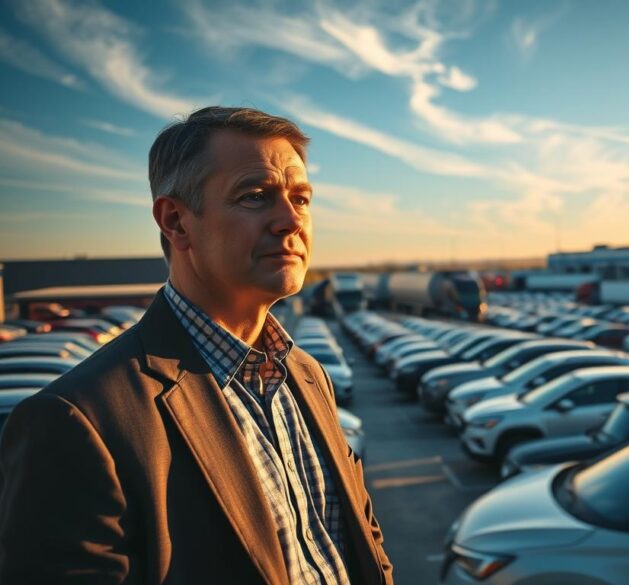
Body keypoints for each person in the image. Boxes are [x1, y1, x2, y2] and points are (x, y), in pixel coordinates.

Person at [0, 106, 393, 584]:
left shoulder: (308, 375)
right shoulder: (77, 421)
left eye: (302, 198)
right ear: (177, 223)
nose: (291, 220)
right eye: (255, 196)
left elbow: (361, 543)